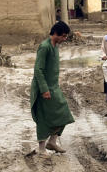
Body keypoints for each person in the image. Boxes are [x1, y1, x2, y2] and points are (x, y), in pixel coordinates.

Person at [30, 21, 75, 154]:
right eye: (63, 36)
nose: (64, 39)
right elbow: (38, 69)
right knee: (43, 116)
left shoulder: (55, 46)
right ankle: (42, 148)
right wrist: (44, 89)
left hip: (54, 87)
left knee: (64, 113)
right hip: (43, 87)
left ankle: (52, 142)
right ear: (55, 33)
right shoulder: (45, 47)